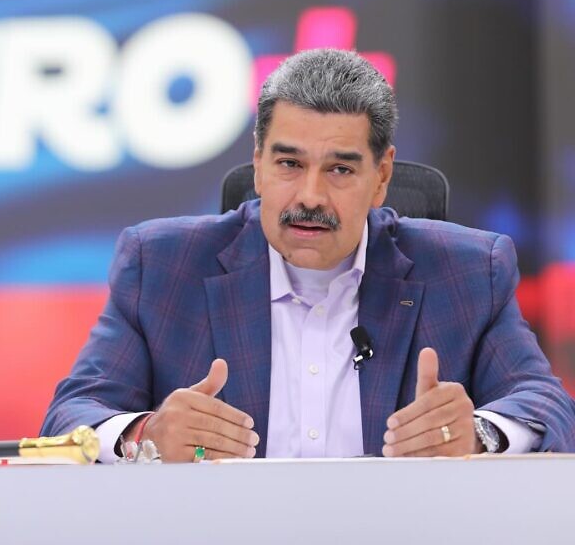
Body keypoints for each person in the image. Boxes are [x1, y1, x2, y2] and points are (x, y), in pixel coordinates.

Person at [41, 48, 575, 462]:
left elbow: (549, 407)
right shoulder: (161, 266)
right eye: (289, 164)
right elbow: (69, 417)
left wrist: (479, 434)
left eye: (340, 169)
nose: (311, 196)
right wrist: (145, 435)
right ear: (258, 165)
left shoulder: (468, 272)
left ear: (381, 177)